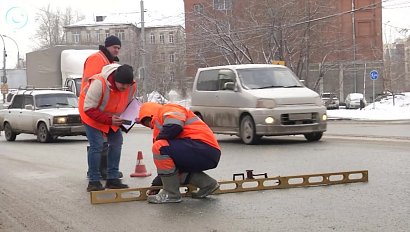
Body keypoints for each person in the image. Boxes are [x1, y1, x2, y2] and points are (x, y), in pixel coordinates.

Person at [137, 102, 221, 204]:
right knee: (173, 167)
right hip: (208, 152)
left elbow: (174, 126)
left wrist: (159, 138)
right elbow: (167, 166)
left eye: (147, 122)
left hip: (202, 147)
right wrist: (156, 184)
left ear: (150, 114)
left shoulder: (168, 109)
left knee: (160, 147)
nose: (150, 126)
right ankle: (208, 184)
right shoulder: (161, 128)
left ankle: (171, 194)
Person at [79, 63, 136, 192]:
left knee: (116, 143)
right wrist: (109, 119)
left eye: (128, 85)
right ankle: (94, 181)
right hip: (91, 114)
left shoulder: (131, 86)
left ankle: (112, 179)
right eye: (122, 85)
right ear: (115, 79)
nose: (125, 88)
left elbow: (128, 103)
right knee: (97, 145)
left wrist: (131, 116)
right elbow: (88, 108)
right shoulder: (99, 83)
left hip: (112, 117)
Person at [82, 35, 122, 180]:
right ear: (107, 46)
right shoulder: (97, 59)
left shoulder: (108, 61)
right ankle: (95, 174)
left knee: (105, 143)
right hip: (91, 107)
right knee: (97, 144)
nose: (117, 51)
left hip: (100, 108)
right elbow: (92, 85)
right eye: (114, 47)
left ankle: (104, 171)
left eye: (118, 48)